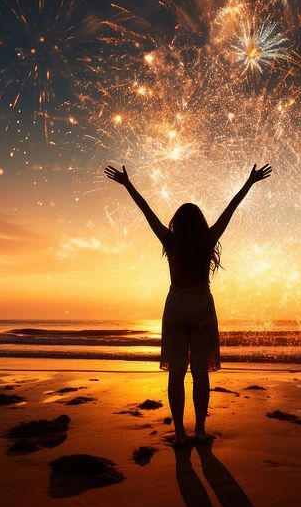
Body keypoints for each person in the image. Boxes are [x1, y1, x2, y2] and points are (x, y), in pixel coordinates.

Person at [104, 162, 272, 446]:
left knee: (177, 372)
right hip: (202, 301)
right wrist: (250, 181)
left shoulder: (171, 241)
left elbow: (147, 211)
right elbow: (231, 208)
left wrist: (128, 184)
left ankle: (180, 432)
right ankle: (200, 430)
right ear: (201, 223)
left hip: (177, 301)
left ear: (177, 224)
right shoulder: (208, 239)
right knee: (200, 373)